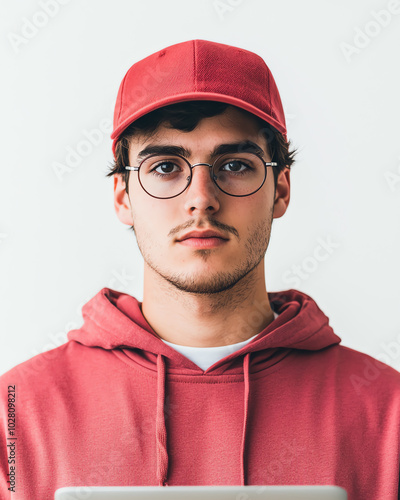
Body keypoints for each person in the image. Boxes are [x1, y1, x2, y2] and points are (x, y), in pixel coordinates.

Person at [1, 39, 399, 500]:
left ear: (281, 189)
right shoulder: (16, 412)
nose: (202, 198)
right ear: (123, 197)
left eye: (234, 165)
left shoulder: (387, 411)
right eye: (166, 166)